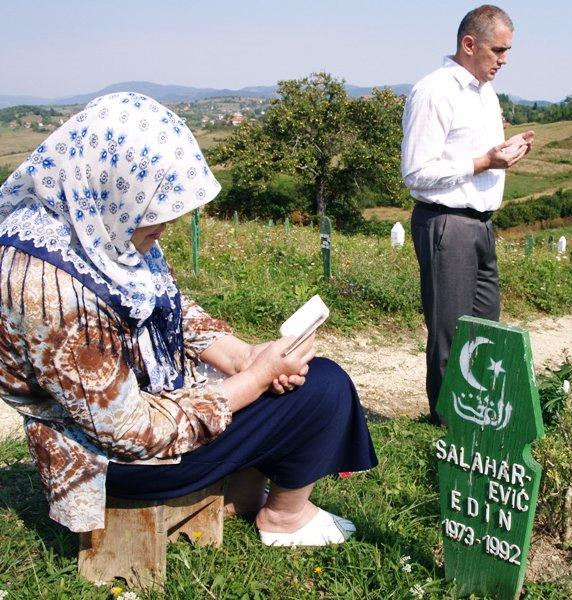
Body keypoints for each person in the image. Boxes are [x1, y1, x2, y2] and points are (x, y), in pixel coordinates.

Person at [0, 92, 377, 546]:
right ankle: (284, 519)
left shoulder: (95, 224)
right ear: (115, 182)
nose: (169, 221)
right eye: (155, 207)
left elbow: (173, 310)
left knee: (300, 379)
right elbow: (132, 434)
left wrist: (242, 358)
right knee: (324, 388)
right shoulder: (53, 291)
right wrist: (253, 381)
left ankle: (239, 491)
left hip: (140, 422)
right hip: (117, 466)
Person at [401, 5, 534, 424]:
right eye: (498, 50)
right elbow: (417, 173)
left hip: (480, 224)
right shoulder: (434, 91)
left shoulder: (485, 93)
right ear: (469, 44)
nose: (504, 60)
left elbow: (477, 156)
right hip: (446, 222)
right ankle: (445, 420)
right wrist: (483, 162)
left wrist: (504, 155)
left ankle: (475, 412)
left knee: (484, 329)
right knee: (450, 331)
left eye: (508, 51)